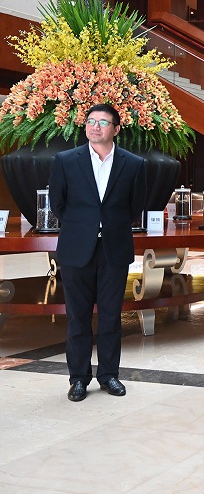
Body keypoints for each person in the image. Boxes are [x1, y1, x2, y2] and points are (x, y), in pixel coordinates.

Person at [49, 104, 146, 402]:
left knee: (110, 317)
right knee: (77, 317)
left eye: (103, 122)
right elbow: (58, 204)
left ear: (116, 129)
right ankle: (78, 378)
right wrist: (84, 227)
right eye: (91, 121)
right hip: (76, 248)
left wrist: (109, 225)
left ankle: (108, 375)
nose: (95, 126)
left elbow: (135, 206)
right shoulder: (66, 160)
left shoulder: (133, 164)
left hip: (114, 248)